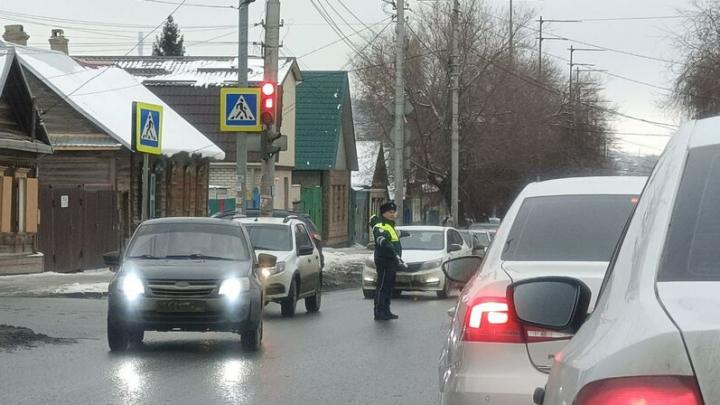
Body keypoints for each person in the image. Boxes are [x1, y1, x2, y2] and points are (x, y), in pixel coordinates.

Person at [371, 201, 406, 321]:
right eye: (390, 212)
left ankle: (386, 310)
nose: (392, 214)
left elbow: (395, 236)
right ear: (383, 213)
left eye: (393, 212)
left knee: (389, 286)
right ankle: (379, 312)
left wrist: (404, 234)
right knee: (382, 286)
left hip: (391, 260)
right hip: (384, 259)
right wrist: (386, 243)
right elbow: (381, 238)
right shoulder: (380, 225)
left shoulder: (390, 225)